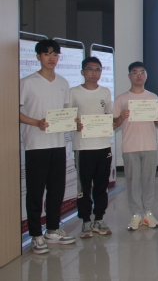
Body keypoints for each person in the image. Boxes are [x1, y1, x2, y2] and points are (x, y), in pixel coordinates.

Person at [20, 39, 77, 254]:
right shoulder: (27, 82)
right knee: (36, 191)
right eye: (46, 53)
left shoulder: (63, 82)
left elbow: (66, 111)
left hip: (58, 143)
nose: (51, 58)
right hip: (36, 144)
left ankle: (52, 229)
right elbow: (14, 111)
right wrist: (37, 123)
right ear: (38, 57)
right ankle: (36, 234)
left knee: (56, 189)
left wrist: (72, 121)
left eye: (55, 54)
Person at [113, 62, 158, 231]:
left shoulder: (153, 97)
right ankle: (136, 214)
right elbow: (114, 124)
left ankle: (148, 213)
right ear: (129, 76)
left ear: (146, 76)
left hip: (149, 145)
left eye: (142, 72)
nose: (139, 75)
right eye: (135, 72)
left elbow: (157, 122)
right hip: (130, 146)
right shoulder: (121, 98)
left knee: (149, 181)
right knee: (133, 181)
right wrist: (121, 117)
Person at [70, 56, 114, 238]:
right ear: (82, 72)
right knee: (84, 186)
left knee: (102, 185)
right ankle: (86, 221)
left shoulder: (105, 92)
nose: (94, 73)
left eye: (97, 70)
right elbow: (68, 117)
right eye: (90, 69)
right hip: (83, 147)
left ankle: (99, 219)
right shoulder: (73, 92)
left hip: (103, 145)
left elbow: (108, 116)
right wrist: (74, 124)